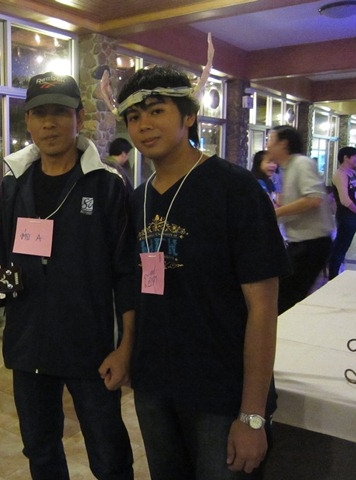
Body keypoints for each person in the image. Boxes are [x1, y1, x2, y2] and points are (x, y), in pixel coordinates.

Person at [116, 65, 289, 480]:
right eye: (134, 117)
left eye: (157, 111)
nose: (144, 125)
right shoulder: (138, 199)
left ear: (189, 116)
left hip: (221, 393)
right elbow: (137, 289)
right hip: (154, 386)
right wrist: (126, 350)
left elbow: (263, 308)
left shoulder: (235, 189)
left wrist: (252, 415)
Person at [0, 72, 136, 479]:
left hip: (92, 347)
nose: (49, 123)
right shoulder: (15, 184)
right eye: (39, 113)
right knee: (40, 451)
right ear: (27, 120)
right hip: (29, 344)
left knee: (110, 456)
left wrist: (126, 347)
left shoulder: (107, 184)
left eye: (60, 112)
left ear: (79, 117)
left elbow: (127, 272)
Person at [268, 125, 335, 313]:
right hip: (299, 243)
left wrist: (277, 213)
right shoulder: (286, 169)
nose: (267, 145)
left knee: (286, 298)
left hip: (312, 244)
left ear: (283, 144)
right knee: (286, 295)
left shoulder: (301, 164)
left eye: (270, 140)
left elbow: (314, 199)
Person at [328, 146, 356, 279]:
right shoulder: (340, 174)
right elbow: (345, 200)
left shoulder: (352, 172)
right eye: (355, 156)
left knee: (344, 245)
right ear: (346, 158)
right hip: (346, 216)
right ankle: (333, 275)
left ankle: (337, 271)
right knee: (340, 246)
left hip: (354, 215)